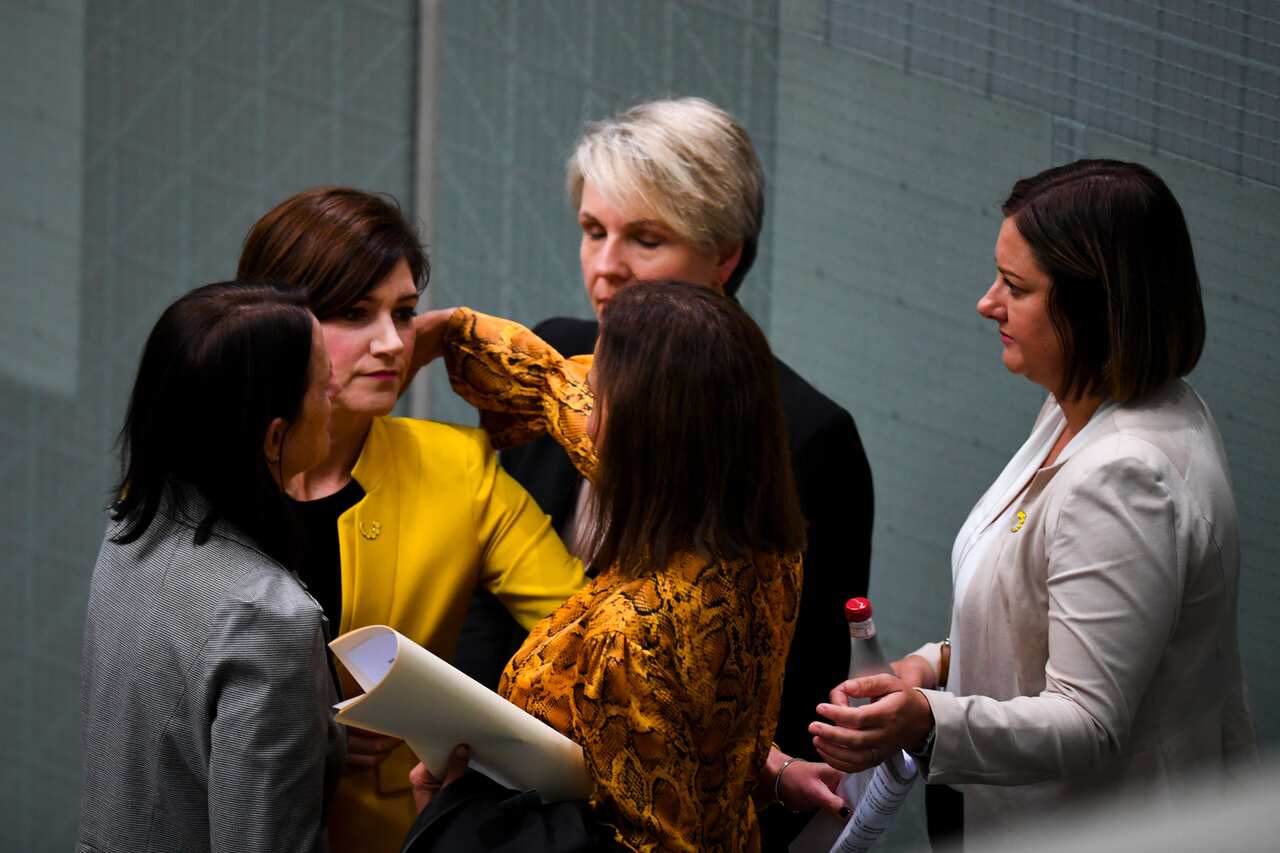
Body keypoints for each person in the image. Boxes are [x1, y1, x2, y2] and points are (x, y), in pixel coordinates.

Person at [448, 97, 874, 848]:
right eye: (592, 231)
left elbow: (775, 697)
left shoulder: (808, 436)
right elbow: (488, 577)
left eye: (645, 239)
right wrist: (465, 734)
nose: (606, 267)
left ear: (725, 258)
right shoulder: (555, 356)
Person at [806, 160, 1258, 841]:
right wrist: (932, 664)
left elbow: (1088, 721)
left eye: (1015, 288)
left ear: (1095, 309)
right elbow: (1044, 613)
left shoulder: (1126, 478)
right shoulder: (1078, 403)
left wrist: (927, 717)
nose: (988, 303)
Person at [236, 187, 586, 853]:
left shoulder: (458, 467)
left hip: (389, 835)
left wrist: (771, 767)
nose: (392, 342)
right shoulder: (200, 475)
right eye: (354, 313)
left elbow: (593, 637)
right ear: (275, 322)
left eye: (404, 313)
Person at [79, 281, 345, 853]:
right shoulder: (270, 618)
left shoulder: (129, 528)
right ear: (275, 436)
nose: (337, 393)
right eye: (324, 387)